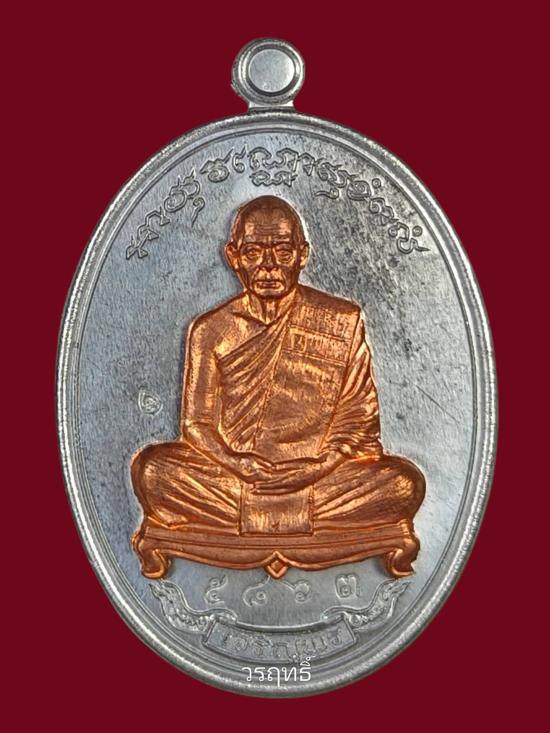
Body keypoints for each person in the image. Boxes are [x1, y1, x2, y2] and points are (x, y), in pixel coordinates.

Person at [131, 195, 425, 575]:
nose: (268, 266)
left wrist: (316, 468)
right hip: (236, 477)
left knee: (402, 484)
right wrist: (238, 464)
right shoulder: (210, 330)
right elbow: (196, 425)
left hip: (320, 476)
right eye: (254, 252)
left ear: (302, 255)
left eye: (282, 252)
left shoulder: (341, 320)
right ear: (234, 256)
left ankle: (256, 518)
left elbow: (358, 419)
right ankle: (292, 518)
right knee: (153, 471)